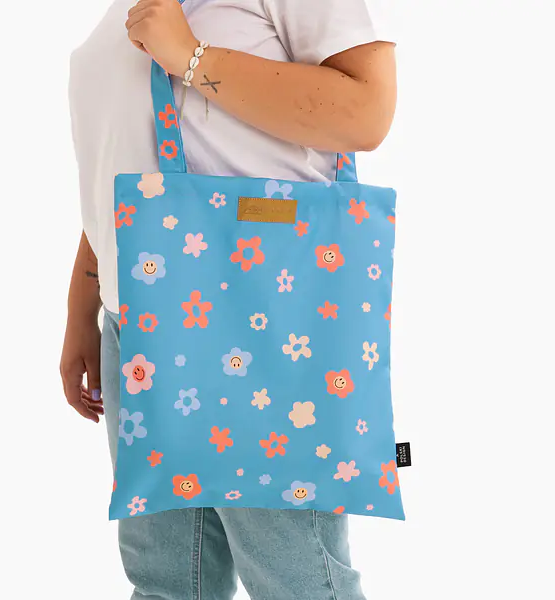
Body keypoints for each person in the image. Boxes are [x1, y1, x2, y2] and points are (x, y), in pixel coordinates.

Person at [61, 0, 397, 598]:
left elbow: (367, 113)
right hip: (138, 326)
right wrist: (82, 305)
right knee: (166, 581)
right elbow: (128, 166)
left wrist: (191, 58)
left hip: (257, 325)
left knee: (297, 579)